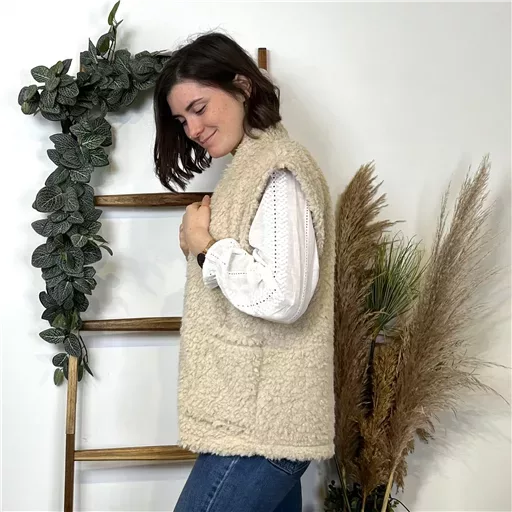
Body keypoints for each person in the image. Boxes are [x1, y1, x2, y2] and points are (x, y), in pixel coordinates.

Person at [153, 31, 335, 512]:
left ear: (242, 86)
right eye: (181, 120)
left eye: (198, 108)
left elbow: (284, 296)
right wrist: (202, 247)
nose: (193, 128)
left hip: (260, 427)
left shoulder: (278, 172)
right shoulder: (251, 170)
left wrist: (205, 247)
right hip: (257, 421)